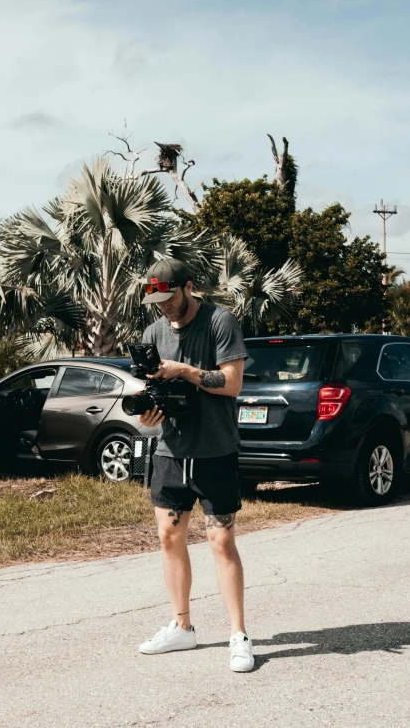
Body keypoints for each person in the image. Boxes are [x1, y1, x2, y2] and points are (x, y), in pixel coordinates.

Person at [137, 258, 254, 673]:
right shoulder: (153, 332)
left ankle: (239, 636)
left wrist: (183, 371)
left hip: (215, 450)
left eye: (170, 298)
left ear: (188, 287)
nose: (164, 307)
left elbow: (233, 382)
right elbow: (152, 387)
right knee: (170, 538)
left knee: (220, 542)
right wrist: (149, 412)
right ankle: (181, 627)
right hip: (170, 451)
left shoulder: (220, 322)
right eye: (157, 300)